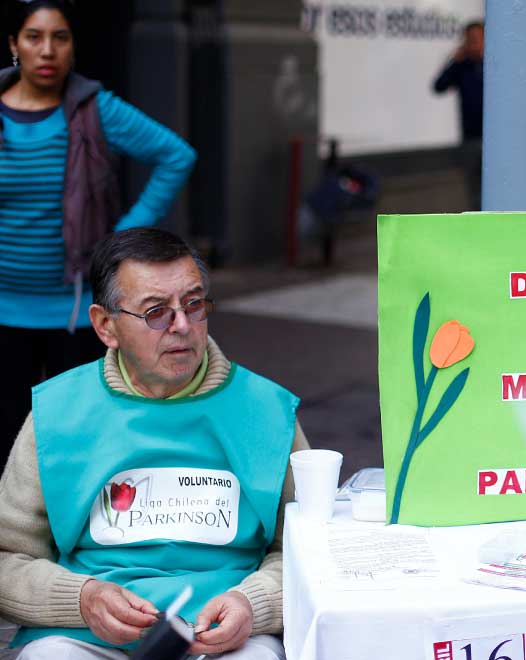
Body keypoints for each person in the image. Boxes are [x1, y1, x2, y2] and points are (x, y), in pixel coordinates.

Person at [0, 228, 308, 659]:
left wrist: (252, 603)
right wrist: (82, 598)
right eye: (156, 312)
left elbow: (306, 549)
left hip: (223, 634)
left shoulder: (268, 411)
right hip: (88, 635)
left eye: (194, 304)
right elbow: (8, 556)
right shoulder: (59, 411)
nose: (182, 325)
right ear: (106, 326)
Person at [0, 0, 196, 463]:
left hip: (74, 310)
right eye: (33, 37)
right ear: (14, 46)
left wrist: (122, 236)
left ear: (72, 48)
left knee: (78, 433)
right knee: (7, 438)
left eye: (60, 38)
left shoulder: (95, 110)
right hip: (3, 308)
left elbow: (176, 155)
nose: (47, 50)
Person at [433, 20, 485, 211]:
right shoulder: (462, 66)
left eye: (477, 39)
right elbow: (438, 86)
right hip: (470, 137)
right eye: (469, 40)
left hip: (495, 141)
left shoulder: (496, 67)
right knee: (473, 189)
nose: (473, 44)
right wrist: (455, 61)